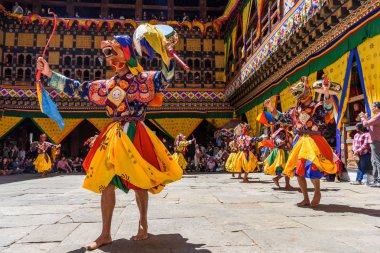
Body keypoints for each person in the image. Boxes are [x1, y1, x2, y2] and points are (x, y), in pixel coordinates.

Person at [37, 29, 182, 250]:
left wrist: (167, 57)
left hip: (136, 132)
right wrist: (50, 75)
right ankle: (105, 234)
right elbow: (80, 89)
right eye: (108, 53)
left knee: (140, 181)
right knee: (106, 182)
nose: (110, 58)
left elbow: (165, 78)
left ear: (127, 53)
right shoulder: (106, 85)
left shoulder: (145, 80)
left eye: (113, 52)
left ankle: (143, 224)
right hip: (114, 135)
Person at [264, 75, 337, 207]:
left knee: (312, 167)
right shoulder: (294, 111)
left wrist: (326, 92)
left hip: (314, 140)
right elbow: (281, 117)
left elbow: (328, 109)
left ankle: (317, 192)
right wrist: (270, 107)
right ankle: (305, 198)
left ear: (309, 93)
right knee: (299, 170)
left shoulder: (317, 107)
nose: (302, 99)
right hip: (299, 141)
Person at [262, 125, 294, 190]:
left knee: (287, 168)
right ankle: (277, 179)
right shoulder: (281, 131)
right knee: (286, 168)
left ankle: (287, 184)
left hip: (285, 151)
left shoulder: (286, 131)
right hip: (282, 152)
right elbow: (277, 138)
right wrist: (279, 141)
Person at [360, 102, 380, 187]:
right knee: (374, 161)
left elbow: (366, 124)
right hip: (374, 140)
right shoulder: (376, 116)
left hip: (376, 140)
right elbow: (369, 123)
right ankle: (376, 179)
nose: (371, 108)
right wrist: (365, 118)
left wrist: (362, 118)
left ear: (377, 107)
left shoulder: (378, 115)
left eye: (373, 107)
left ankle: (378, 180)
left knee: (377, 161)